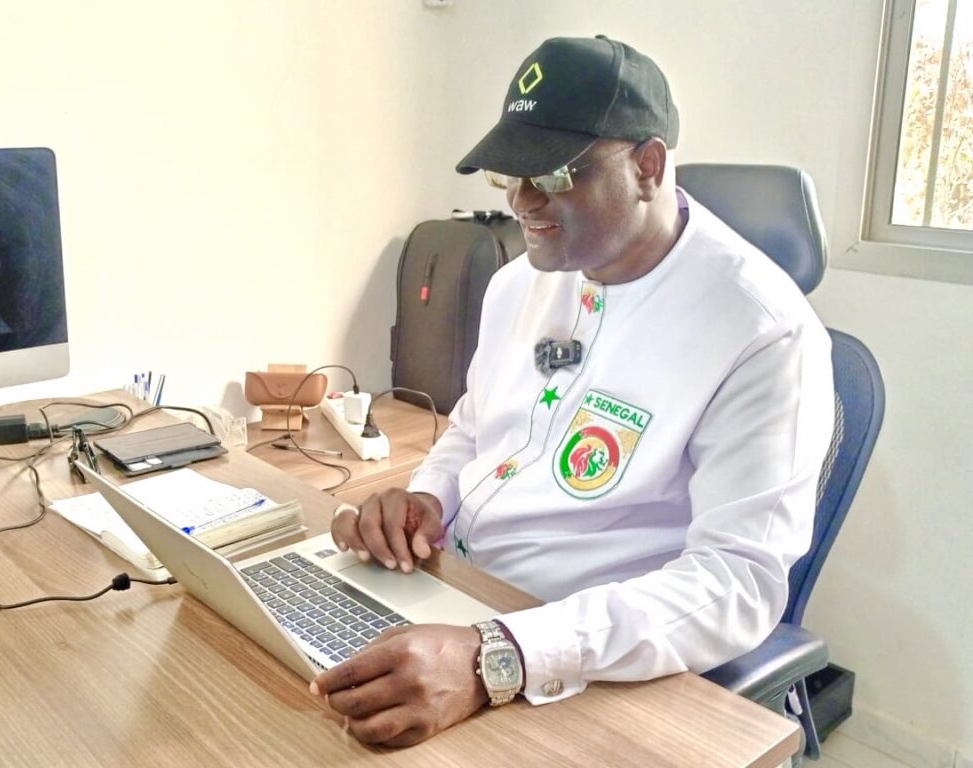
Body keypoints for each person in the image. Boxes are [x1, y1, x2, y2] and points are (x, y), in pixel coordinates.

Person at [309, 34, 835, 747]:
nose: (523, 201)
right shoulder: (517, 283)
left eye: (553, 174)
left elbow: (736, 585)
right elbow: (474, 428)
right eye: (509, 175)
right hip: (455, 600)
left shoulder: (763, 333)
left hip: (583, 658)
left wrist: (502, 656)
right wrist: (427, 500)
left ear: (648, 166)